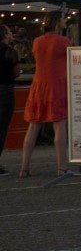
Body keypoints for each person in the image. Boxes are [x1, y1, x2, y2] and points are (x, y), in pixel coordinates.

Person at [18, 12, 70, 178]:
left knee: (33, 126)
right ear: (56, 23)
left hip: (39, 86)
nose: (65, 21)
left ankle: (24, 168)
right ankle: (61, 168)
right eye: (63, 18)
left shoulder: (37, 42)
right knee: (59, 125)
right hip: (57, 86)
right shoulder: (64, 42)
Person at [0, 25, 20, 175]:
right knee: (2, 127)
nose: (12, 33)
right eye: (9, 31)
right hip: (5, 90)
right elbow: (16, 73)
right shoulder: (11, 52)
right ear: (5, 35)